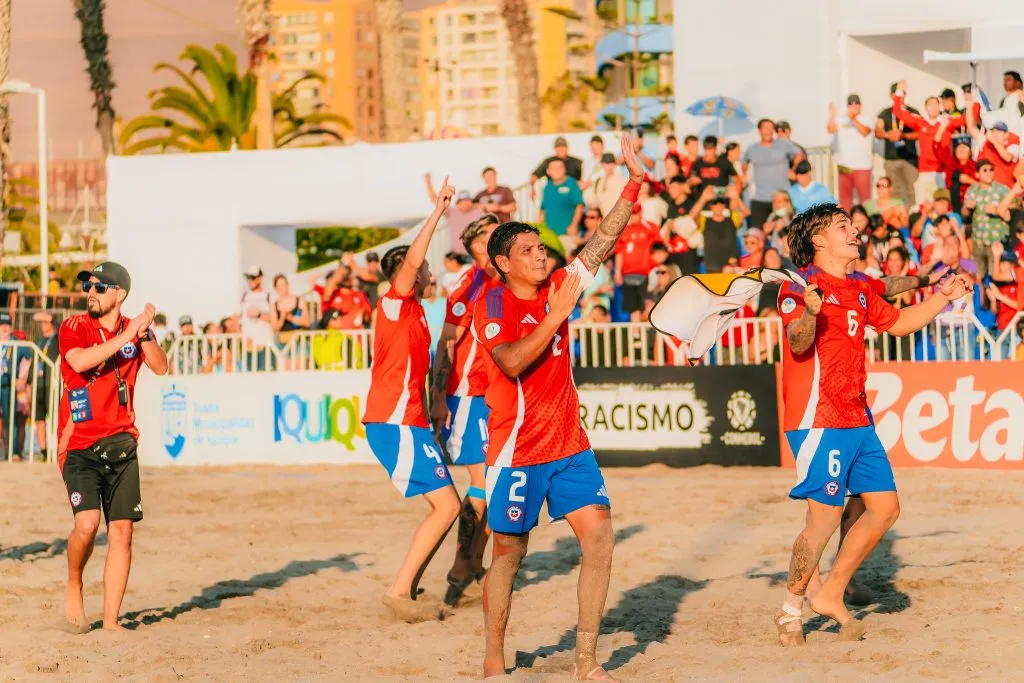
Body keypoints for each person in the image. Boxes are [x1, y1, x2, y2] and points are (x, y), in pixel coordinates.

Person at [477, 135, 644, 680]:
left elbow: (601, 242)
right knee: (509, 554)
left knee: (600, 536)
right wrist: (554, 317)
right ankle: (494, 656)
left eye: (541, 248)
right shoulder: (492, 302)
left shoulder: (559, 285)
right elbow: (510, 362)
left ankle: (586, 659)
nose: (540, 254)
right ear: (503, 263)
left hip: (570, 443)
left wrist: (633, 184)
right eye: (527, 250)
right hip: (517, 449)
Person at [773, 204, 971, 646]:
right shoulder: (799, 284)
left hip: (857, 414)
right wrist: (809, 313)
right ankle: (789, 611)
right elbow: (798, 342)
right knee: (823, 521)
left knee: (885, 507)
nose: (855, 230)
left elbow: (900, 322)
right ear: (819, 240)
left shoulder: (859, 285)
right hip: (816, 417)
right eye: (843, 226)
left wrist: (942, 295)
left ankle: (831, 592)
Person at [362, 177, 462, 623]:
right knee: (448, 506)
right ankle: (399, 590)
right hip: (394, 423)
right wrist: (437, 212)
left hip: (410, 422)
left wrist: (433, 410)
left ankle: (408, 586)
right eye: (423, 269)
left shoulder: (417, 312)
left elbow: (417, 375)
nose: (429, 274)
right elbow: (413, 260)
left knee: (447, 507)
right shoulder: (393, 301)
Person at [58, 261, 168, 632]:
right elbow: (80, 361)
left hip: (122, 442)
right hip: (79, 444)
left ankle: (110, 621)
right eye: (88, 287)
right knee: (87, 525)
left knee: (122, 532)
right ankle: (74, 582)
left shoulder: (134, 330)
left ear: (119, 294)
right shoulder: (75, 326)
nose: (91, 293)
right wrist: (127, 335)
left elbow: (161, 367)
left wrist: (145, 334)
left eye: (99, 287)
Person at [428, 213, 501, 607]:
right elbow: (447, 341)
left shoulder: (509, 278)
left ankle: (472, 565)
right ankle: (461, 568)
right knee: (484, 483)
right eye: (483, 248)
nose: (490, 253)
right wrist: (438, 397)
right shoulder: (469, 284)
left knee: (495, 484)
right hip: (469, 395)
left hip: (499, 395)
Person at [743, 119, 804, 227]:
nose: (769, 131)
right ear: (759, 130)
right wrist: (744, 174)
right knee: (757, 231)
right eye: (765, 128)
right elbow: (744, 163)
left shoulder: (783, 144)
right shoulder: (752, 148)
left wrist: (793, 169)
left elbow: (799, 154)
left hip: (781, 199)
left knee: (784, 231)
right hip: (759, 199)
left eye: (771, 128)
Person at [962, 159, 1011, 281]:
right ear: (977, 174)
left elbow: (1013, 211)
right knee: (977, 277)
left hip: (997, 242)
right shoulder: (972, 190)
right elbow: (964, 214)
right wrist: (967, 208)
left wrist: (997, 210)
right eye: (985, 170)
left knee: (996, 277)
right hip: (978, 242)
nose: (989, 173)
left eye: (991, 170)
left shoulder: (1002, 189)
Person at [876, 83, 920, 207]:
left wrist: (903, 135)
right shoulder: (885, 113)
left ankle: (912, 214)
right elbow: (878, 132)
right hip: (892, 159)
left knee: (911, 188)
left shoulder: (913, 112)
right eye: (898, 93)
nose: (901, 96)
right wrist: (888, 135)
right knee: (895, 190)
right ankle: (898, 215)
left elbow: (920, 133)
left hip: (910, 159)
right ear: (892, 95)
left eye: (903, 93)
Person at [827, 95, 874, 210]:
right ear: (847, 106)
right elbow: (830, 129)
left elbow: (865, 131)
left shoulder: (867, 119)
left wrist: (853, 119)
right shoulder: (841, 119)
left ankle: (867, 221)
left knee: (865, 200)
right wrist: (832, 114)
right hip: (844, 166)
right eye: (851, 104)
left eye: (856, 103)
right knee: (845, 200)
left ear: (860, 105)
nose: (854, 106)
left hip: (862, 166)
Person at [615, 205, 660, 322]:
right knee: (633, 306)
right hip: (628, 273)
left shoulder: (650, 227)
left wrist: (655, 267)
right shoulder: (624, 230)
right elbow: (619, 252)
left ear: (641, 212)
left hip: (647, 272)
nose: (634, 216)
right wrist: (617, 271)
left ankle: (650, 329)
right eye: (632, 213)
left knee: (647, 303)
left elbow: (659, 248)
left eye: (636, 213)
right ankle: (636, 332)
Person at [0, 313, 32, 461]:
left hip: (7, 386)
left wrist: (22, 377)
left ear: (11, 328)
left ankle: (13, 452)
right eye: (1, 325)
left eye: (7, 325)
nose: (4, 328)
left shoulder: (17, 343)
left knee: (10, 419)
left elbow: (30, 356)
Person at [426, 174, 485, 253]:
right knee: (448, 259)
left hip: (474, 253)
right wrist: (428, 183)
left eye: (468, 200)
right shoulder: (451, 212)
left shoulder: (478, 213)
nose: (466, 203)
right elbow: (435, 200)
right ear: (458, 202)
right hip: (455, 253)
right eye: (463, 201)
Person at [539, 158, 585, 251]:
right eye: (553, 168)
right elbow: (542, 210)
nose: (557, 170)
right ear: (548, 171)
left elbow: (579, 206)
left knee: (568, 259)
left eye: (559, 167)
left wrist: (574, 225)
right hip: (550, 236)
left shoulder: (571, 183)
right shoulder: (547, 186)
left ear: (564, 169)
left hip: (567, 234)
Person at [33, 312, 60, 460]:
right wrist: (29, 383)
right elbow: (34, 363)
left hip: (52, 384)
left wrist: (52, 318)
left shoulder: (57, 339)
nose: (42, 325)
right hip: (38, 383)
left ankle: (57, 449)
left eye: (46, 322)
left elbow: (61, 327)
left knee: (56, 417)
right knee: (39, 418)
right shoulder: (39, 340)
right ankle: (43, 451)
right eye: (41, 323)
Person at [531, 136, 584, 200]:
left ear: (567, 148)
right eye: (558, 147)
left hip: (573, 195)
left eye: (563, 147)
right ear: (555, 149)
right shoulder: (548, 162)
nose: (561, 150)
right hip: (554, 195)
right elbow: (535, 175)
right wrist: (533, 190)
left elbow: (585, 178)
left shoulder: (577, 162)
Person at [590, 152, 628, 217]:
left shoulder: (623, 180)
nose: (608, 165)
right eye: (605, 163)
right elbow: (593, 202)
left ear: (614, 164)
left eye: (611, 163)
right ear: (602, 164)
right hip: (603, 219)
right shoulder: (598, 181)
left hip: (618, 218)